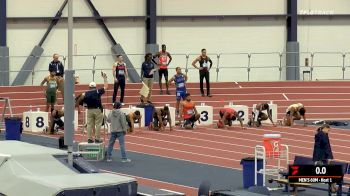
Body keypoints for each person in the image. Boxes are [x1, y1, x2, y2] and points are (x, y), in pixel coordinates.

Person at [76, 72, 108, 143]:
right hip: (97, 110)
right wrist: (105, 78)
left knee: (89, 125)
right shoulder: (97, 91)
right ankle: (97, 138)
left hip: (89, 110)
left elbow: (79, 98)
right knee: (98, 124)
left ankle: (89, 139)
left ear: (89, 87)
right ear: (95, 86)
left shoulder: (85, 93)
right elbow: (106, 87)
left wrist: (77, 106)